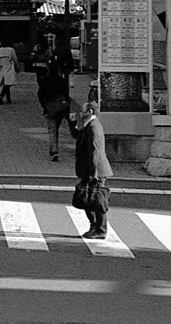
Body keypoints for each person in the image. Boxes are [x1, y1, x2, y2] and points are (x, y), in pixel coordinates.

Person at [68, 99, 113, 239]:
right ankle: (94, 226)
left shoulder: (93, 127)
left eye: (83, 110)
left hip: (96, 170)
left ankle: (100, 229)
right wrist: (72, 122)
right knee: (88, 199)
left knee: (97, 200)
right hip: (89, 169)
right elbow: (76, 135)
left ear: (90, 111)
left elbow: (95, 151)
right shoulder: (87, 124)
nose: (81, 113)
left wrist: (93, 174)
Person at [37, 65, 70, 162]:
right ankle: (53, 149)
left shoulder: (45, 81)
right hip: (60, 108)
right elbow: (66, 95)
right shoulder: (62, 81)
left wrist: (43, 105)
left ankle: (54, 150)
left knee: (52, 129)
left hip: (49, 109)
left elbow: (40, 94)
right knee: (56, 128)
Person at [0, 37, 19, 104]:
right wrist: (17, 68)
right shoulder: (11, 50)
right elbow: (15, 59)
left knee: (5, 82)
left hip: (0, 66)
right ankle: (1, 96)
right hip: (9, 66)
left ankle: (8, 99)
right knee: (8, 83)